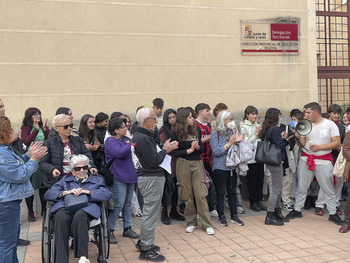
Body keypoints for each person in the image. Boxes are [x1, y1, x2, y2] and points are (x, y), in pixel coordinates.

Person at [44, 154, 111, 263]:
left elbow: (107, 194)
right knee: (60, 216)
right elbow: (48, 195)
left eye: (84, 167)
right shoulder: (65, 180)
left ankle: (83, 257)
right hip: (66, 208)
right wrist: (66, 192)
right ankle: (61, 260)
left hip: (87, 209)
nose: (82, 171)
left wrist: (88, 192)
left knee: (80, 215)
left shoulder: (96, 180)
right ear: (72, 170)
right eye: (77, 168)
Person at [132, 107, 178, 262]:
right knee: (150, 213)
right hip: (151, 178)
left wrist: (164, 150)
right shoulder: (143, 138)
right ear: (146, 121)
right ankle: (145, 248)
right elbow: (154, 161)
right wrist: (165, 150)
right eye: (153, 118)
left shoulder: (142, 136)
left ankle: (144, 242)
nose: (156, 121)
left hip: (150, 177)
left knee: (150, 211)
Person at [286, 102, 343, 225]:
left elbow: (337, 143)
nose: (305, 115)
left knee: (327, 188)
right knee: (302, 186)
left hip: (324, 159)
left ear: (316, 112)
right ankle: (297, 209)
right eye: (305, 112)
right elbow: (302, 144)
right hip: (306, 159)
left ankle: (332, 212)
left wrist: (320, 147)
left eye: (308, 112)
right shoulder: (306, 124)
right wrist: (298, 136)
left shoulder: (330, 125)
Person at [0, 116, 47, 263]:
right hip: (6, 204)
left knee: (8, 244)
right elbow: (19, 174)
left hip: (7, 202)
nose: (13, 132)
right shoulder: (2, 153)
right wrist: (33, 160)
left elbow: (16, 164)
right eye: (10, 129)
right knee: (7, 245)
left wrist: (27, 155)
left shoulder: (5, 150)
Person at [170, 108, 215, 235]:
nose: (192, 119)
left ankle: (206, 224)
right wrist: (188, 151)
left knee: (200, 194)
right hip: (183, 164)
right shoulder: (175, 133)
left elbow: (201, 149)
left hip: (197, 163)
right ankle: (191, 222)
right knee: (187, 195)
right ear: (183, 119)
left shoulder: (195, 130)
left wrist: (197, 147)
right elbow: (174, 152)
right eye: (190, 117)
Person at [105, 118, 139, 244]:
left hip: (131, 175)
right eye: (123, 127)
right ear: (116, 130)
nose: (126, 128)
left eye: (126, 126)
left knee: (128, 203)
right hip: (119, 176)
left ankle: (127, 228)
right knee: (118, 203)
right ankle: (110, 229)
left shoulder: (125, 139)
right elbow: (119, 153)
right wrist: (131, 143)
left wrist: (131, 142)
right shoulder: (110, 141)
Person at [39, 114, 97, 188]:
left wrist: (91, 166)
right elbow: (43, 163)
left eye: (71, 125)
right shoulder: (49, 143)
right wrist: (52, 170)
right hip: (58, 181)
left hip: (79, 178)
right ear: (56, 128)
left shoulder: (78, 140)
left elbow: (87, 156)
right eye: (66, 126)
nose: (69, 128)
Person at [210, 110, 245, 227]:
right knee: (220, 192)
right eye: (230, 119)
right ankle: (221, 215)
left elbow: (235, 149)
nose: (232, 121)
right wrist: (230, 143)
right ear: (223, 120)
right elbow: (216, 151)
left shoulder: (232, 131)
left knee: (232, 191)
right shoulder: (216, 134)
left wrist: (238, 142)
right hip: (220, 167)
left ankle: (234, 215)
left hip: (232, 166)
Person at [259, 108, 290, 226]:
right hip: (275, 161)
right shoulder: (274, 128)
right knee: (277, 188)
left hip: (271, 161)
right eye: (278, 115)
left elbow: (274, 142)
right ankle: (270, 215)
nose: (280, 118)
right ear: (275, 116)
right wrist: (286, 140)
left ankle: (276, 212)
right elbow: (280, 146)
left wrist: (281, 138)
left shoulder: (268, 128)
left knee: (278, 188)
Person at [315, 104, 345, 216]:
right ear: (329, 113)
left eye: (338, 113)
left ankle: (335, 204)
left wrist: (340, 147)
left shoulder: (341, 127)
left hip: (337, 157)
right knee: (326, 181)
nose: (336, 115)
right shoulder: (323, 124)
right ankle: (319, 204)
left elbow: (342, 142)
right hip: (325, 156)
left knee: (339, 182)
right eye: (334, 113)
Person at [21, 107, 50, 222]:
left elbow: (47, 141)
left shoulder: (42, 126)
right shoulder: (26, 128)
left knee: (43, 187)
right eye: (35, 114)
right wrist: (36, 130)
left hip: (43, 161)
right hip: (32, 160)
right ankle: (31, 212)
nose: (38, 116)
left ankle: (44, 209)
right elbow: (26, 141)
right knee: (31, 188)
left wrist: (45, 130)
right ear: (29, 116)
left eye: (39, 114)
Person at [159, 109, 185, 224]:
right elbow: (165, 145)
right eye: (170, 117)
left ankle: (174, 211)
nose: (172, 119)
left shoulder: (179, 128)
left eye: (174, 117)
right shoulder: (163, 130)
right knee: (168, 188)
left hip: (178, 160)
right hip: (168, 161)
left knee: (176, 188)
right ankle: (165, 212)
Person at [240, 106, 266, 212]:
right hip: (250, 157)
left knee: (260, 179)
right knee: (252, 180)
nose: (255, 116)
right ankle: (253, 202)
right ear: (247, 115)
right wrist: (255, 135)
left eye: (256, 114)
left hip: (259, 155)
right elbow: (246, 142)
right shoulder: (244, 127)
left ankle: (259, 201)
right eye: (252, 114)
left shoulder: (258, 125)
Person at [194, 103, 217, 216]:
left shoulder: (208, 124)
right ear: (200, 112)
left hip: (210, 158)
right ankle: (200, 210)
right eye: (207, 110)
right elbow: (195, 141)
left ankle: (211, 207)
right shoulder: (195, 124)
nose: (209, 113)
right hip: (200, 158)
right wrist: (208, 138)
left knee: (210, 184)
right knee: (201, 184)